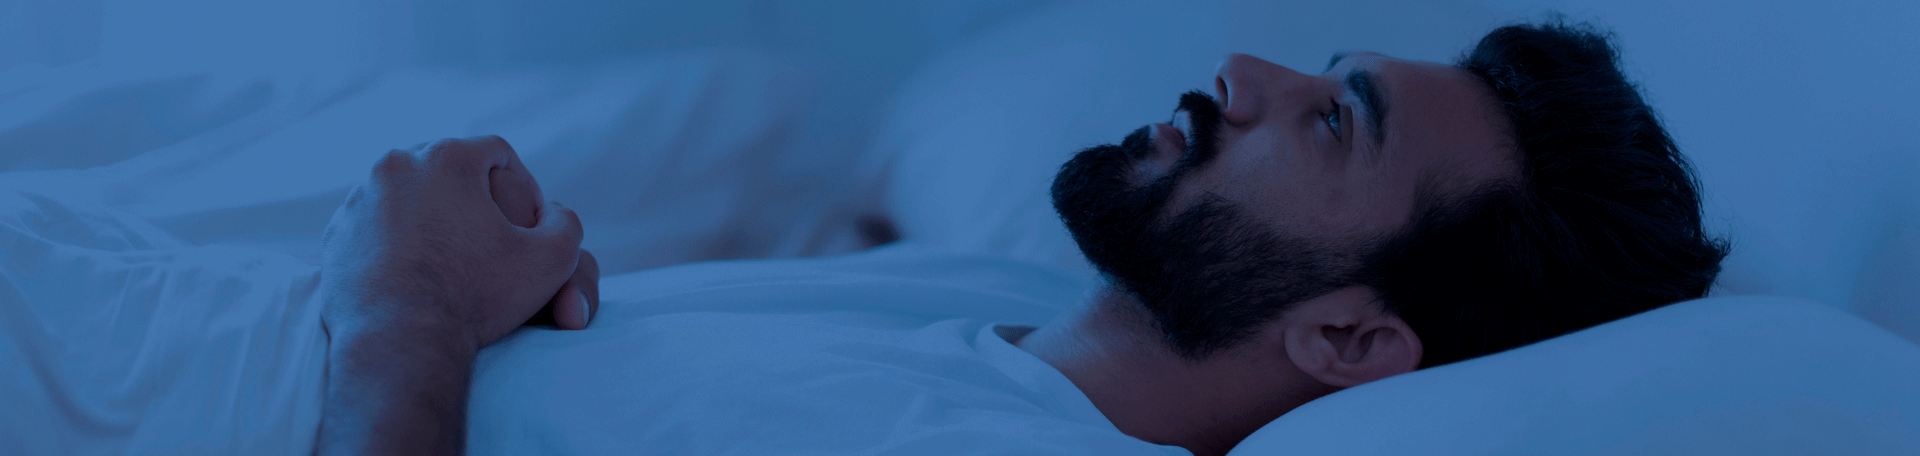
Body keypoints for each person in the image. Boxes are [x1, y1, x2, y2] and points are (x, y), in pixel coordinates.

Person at [312, 19, 1728, 456]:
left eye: (1333, 121)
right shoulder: (1007, 303)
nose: (1242, 74)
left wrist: (408, 308)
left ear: (1352, 338)